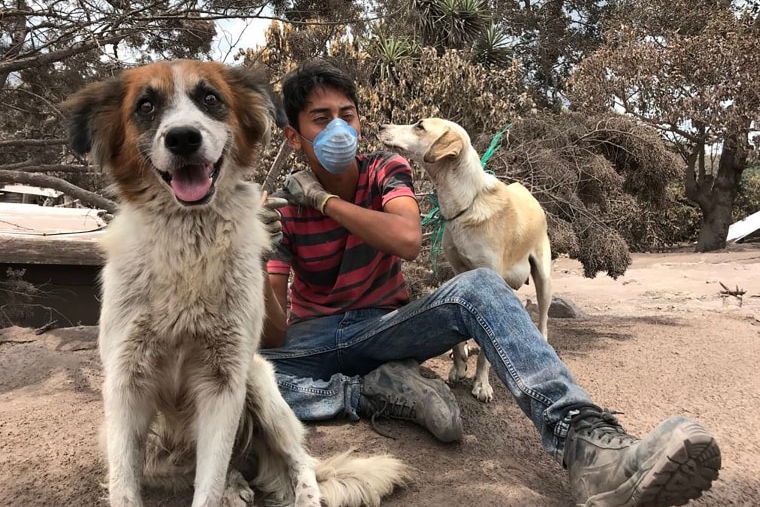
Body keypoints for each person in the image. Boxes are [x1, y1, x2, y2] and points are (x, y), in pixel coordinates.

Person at [258, 58, 721, 506]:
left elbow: (406, 239)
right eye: (321, 119)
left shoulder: (385, 170)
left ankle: (585, 441)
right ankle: (370, 390)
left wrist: (322, 201)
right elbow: (274, 333)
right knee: (229, 377)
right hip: (313, 339)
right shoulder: (276, 212)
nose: (339, 128)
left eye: (348, 115)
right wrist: (250, 253)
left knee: (480, 284)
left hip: (387, 329)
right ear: (294, 138)